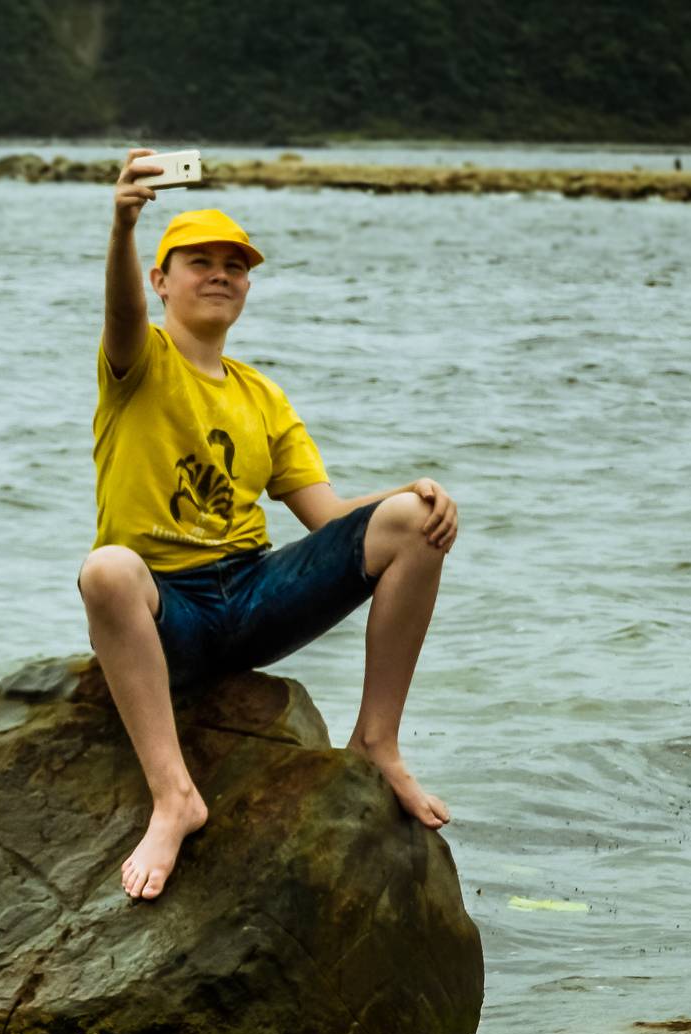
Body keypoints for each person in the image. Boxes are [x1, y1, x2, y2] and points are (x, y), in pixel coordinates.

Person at [79, 148, 458, 902]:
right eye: (200, 262)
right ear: (160, 281)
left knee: (417, 521)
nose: (221, 274)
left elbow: (329, 519)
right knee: (106, 570)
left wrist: (414, 491)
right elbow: (120, 314)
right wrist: (123, 228)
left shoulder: (262, 397)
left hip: (253, 596)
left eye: (236, 266)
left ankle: (376, 741)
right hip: (168, 609)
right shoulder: (139, 360)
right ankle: (174, 797)